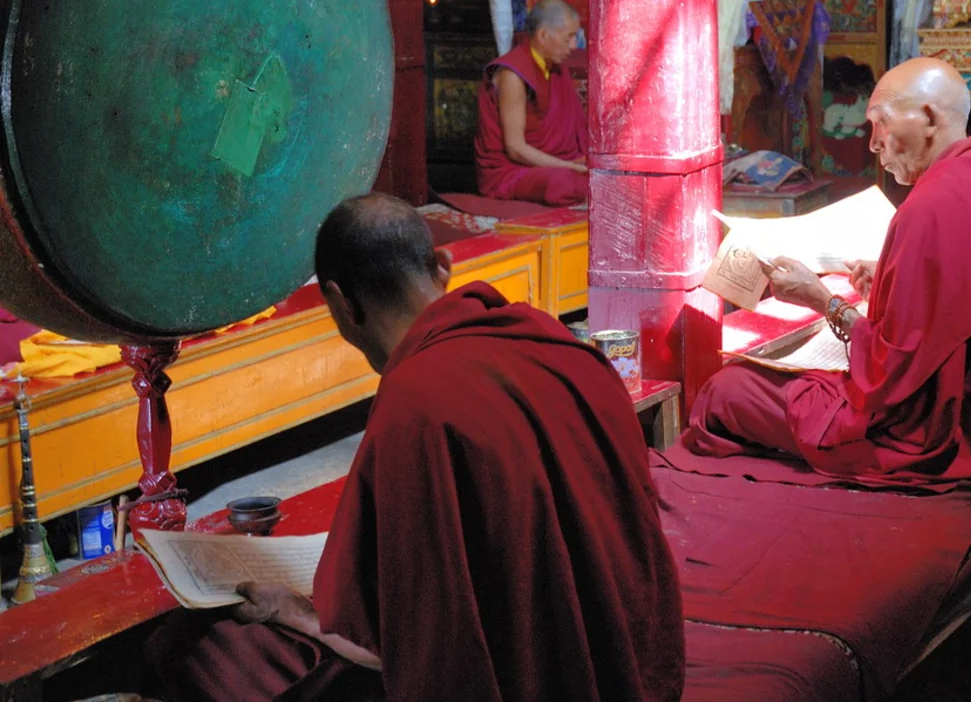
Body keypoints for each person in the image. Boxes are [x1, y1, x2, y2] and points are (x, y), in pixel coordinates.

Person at [146, 194, 685, 701]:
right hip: (629, 664)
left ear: (339, 302)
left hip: (529, 677)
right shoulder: (557, 346)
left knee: (204, 650)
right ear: (444, 267)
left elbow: (408, 643)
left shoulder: (418, 405)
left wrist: (291, 611)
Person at [683, 58, 971, 486]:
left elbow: (888, 375)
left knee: (730, 390)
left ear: (929, 119)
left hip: (967, 437)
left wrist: (824, 301)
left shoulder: (928, 210)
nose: (873, 144)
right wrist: (893, 279)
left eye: (880, 124)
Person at [474, 0, 589, 207]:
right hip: (512, 170)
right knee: (567, 183)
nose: (574, 46)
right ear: (544, 35)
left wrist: (575, 163)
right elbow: (515, 148)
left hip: (551, 161)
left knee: (609, 173)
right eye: (569, 38)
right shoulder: (514, 75)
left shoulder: (553, 66)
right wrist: (568, 167)